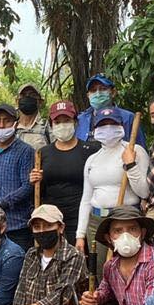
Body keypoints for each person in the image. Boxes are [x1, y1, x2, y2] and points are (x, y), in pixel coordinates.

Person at [73, 107, 151, 257]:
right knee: (103, 272)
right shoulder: (92, 159)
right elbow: (86, 199)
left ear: (121, 126)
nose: (107, 128)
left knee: (129, 267)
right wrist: (80, 234)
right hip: (97, 222)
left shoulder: (135, 150)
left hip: (126, 219)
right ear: (95, 130)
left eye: (112, 124)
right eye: (102, 125)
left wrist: (130, 165)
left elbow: (144, 192)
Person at [29, 100, 97, 244]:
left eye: (66, 120)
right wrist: (35, 181)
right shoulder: (43, 153)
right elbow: (38, 192)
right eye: (57, 122)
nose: (62, 125)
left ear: (75, 122)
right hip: (51, 221)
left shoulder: (90, 150)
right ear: (51, 124)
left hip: (81, 219)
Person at [0, 103, 36, 249]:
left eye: (7, 120)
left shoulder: (25, 151)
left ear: (15, 124)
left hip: (17, 225)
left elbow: (27, 187)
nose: (2, 125)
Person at [74, 74, 145, 147]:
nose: (98, 94)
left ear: (113, 92)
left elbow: (140, 150)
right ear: (88, 95)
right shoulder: (81, 120)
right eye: (93, 90)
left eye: (103, 89)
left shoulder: (128, 118)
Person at [14, 83, 48, 150]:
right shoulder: (11, 127)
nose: (27, 97)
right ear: (17, 101)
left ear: (40, 102)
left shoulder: (47, 127)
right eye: (23, 95)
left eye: (32, 95)